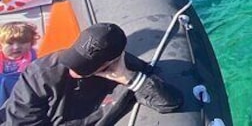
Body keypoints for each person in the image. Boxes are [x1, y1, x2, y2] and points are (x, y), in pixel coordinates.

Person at [2, 22, 182, 125]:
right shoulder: (41, 73)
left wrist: (128, 78)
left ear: (111, 62)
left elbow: (169, 103)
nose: (73, 71)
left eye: (84, 68)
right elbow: (21, 121)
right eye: (73, 59)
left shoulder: (131, 69)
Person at [0, 22, 38, 106]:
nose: (16, 47)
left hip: (24, 101)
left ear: (31, 43)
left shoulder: (35, 59)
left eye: (22, 42)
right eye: (10, 43)